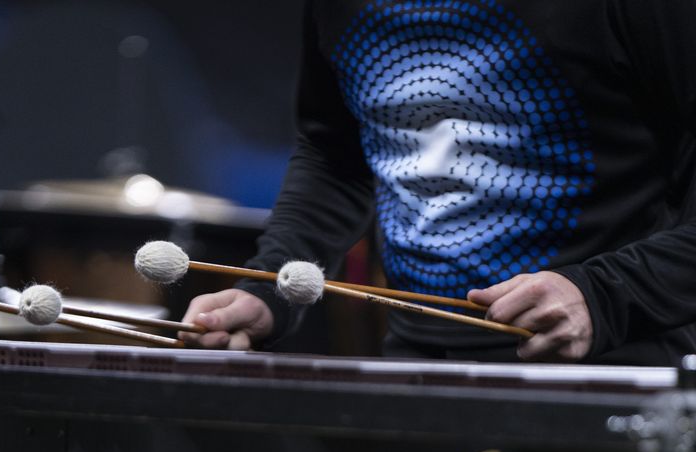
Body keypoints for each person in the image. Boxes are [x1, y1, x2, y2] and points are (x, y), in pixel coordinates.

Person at [180, 0, 696, 366]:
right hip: (417, 369)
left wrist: (602, 297)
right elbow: (336, 156)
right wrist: (272, 287)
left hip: (613, 374)